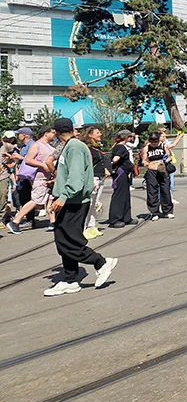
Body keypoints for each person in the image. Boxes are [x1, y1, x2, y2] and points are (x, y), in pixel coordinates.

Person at [43, 118, 118, 297]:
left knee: (69, 241)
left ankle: (100, 262)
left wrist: (64, 196)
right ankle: (70, 279)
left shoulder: (75, 147)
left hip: (73, 201)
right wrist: (58, 184)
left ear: (55, 132)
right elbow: (71, 174)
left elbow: (76, 178)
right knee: (63, 239)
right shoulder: (71, 146)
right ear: (72, 129)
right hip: (69, 199)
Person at [7, 126, 56, 234]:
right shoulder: (37, 145)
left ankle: (53, 222)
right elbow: (28, 160)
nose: (55, 134)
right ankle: (15, 222)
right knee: (36, 200)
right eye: (52, 132)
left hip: (49, 177)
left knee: (50, 199)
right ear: (45, 133)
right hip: (40, 177)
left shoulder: (49, 146)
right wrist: (43, 165)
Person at [141, 131, 174, 221]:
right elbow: (144, 159)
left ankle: (168, 211)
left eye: (155, 141)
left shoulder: (164, 146)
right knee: (152, 191)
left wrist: (166, 160)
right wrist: (145, 163)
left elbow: (169, 156)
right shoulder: (146, 148)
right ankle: (154, 212)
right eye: (152, 141)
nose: (154, 143)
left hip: (162, 170)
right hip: (152, 170)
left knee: (165, 190)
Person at [81, 126, 107, 240]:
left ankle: (91, 226)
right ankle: (83, 229)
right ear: (90, 135)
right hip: (93, 178)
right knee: (89, 203)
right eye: (97, 132)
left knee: (94, 203)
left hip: (100, 177)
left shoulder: (96, 147)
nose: (100, 134)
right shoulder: (87, 148)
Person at [107, 130, 136, 227]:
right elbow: (115, 159)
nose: (131, 138)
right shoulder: (120, 147)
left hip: (124, 173)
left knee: (125, 195)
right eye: (130, 137)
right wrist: (112, 163)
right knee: (119, 195)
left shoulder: (119, 146)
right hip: (121, 173)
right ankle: (115, 219)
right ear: (126, 137)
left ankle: (126, 217)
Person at [0, 131, 17, 221]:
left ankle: (1, 219)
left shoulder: (7, 146)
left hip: (3, 175)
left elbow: (18, 154)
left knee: (3, 196)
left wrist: (13, 162)